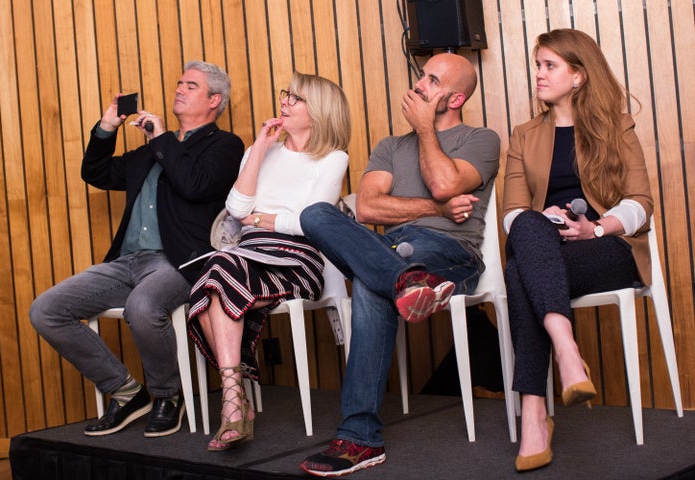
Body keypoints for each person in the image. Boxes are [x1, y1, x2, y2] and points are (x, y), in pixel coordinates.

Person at [298, 52, 501, 477]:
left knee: (372, 285)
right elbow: (369, 208)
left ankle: (359, 439)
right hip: (392, 250)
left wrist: (426, 127)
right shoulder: (390, 146)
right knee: (315, 214)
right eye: (420, 77)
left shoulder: (481, 140)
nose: (418, 86)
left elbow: (446, 181)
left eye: (431, 80)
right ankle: (406, 284)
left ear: (457, 97)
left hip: (450, 255)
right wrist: (440, 208)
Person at [30, 61, 244, 437]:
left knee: (142, 307)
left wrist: (161, 138)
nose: (179, 89)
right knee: (46, 310)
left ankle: (167, 396)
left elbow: (194, 185)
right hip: (127, 262)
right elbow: (95, 173)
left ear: (214, 100)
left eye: (190, 86)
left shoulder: (224, 146)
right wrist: (106, 128)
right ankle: (127, 391)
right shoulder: (150, 153)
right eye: (179, 82)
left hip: (180, 262)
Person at [501, 29, 654, 472]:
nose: (539, 74)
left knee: (521, 275)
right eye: (537, 65)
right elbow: (512, 212)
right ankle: (566, 350)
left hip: (606, 248)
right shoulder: (524, 135)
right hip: (542, 245)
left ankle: (535, 413)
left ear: (579, 76)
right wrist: (542, 217)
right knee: (528, 226)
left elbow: (640, 202)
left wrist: (597, 228)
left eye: (549, 65)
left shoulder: (616, 126)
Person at [187, 71, 351, 452]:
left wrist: (261, 219)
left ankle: (234, 402)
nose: (285, 102)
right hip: (247, 253)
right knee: (220, 272)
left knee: (217, 277)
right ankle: (234, 398)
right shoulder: (261, 151)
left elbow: (312, 220)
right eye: (286, 95)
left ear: (319, 111)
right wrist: (259, 147)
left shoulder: (332, 158)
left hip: (297, 258)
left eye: (295, 98)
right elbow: (236, 208)